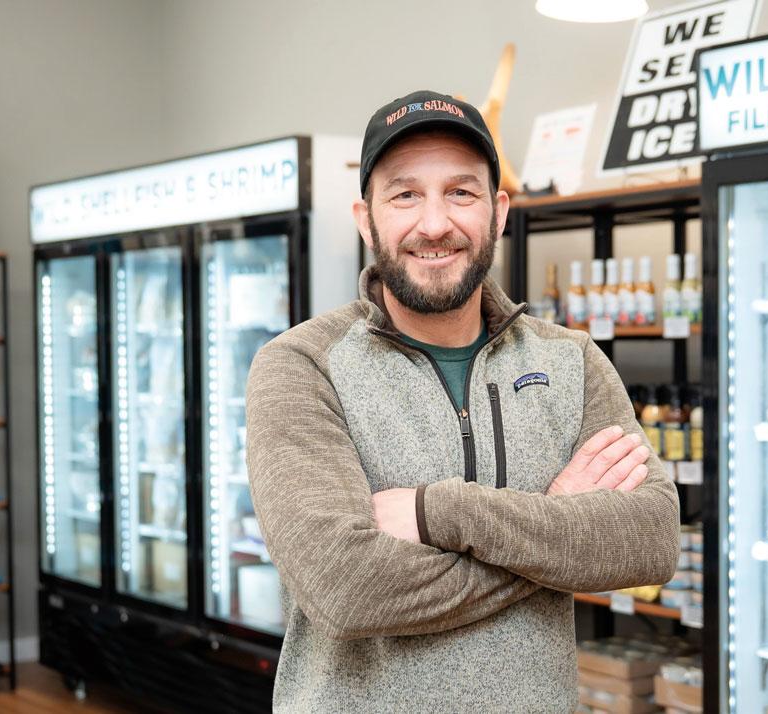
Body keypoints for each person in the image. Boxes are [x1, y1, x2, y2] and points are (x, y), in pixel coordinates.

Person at [245, 90, 680, 712]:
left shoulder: (571, 359)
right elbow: (344, 590)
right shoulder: (302, 365)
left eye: (461, 192)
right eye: (404, 195)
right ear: (366, 218)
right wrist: (554, 522)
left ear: (498, 212)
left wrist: (436, 511)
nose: (434, 223)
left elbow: (649, 540)